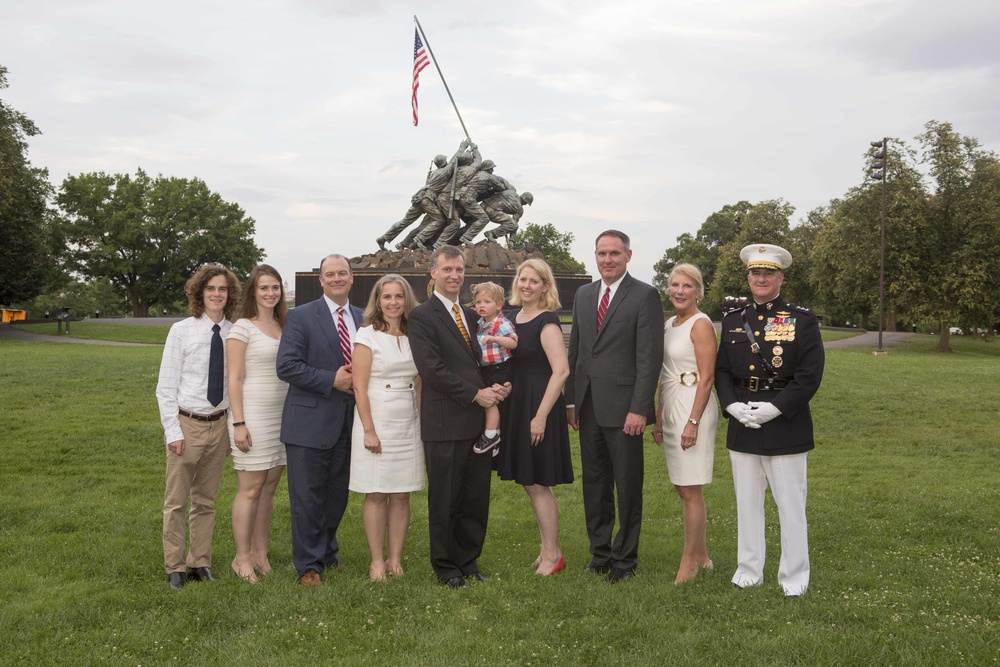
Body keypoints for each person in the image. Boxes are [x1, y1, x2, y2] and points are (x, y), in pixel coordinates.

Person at [715, 243, 824, 597]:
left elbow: (809, 375)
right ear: (748, 278)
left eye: (768, 273)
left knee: (790, 506)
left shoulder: (801, 319)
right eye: (755, 273)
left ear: (780, 278)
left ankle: (794, 578)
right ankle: (748, 571)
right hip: (742, 419)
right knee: (746, 504)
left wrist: (775, 408)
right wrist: (731, 406)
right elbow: (721, 371)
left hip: (784, 422)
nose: (761, 279)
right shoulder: (733, 320)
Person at [407, 245, 510, 588]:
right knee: (446, 499)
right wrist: (475, 395)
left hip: (477, 424)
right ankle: (446, 566)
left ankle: (469, 560)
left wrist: (497, 388)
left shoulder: (470, 316)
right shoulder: (422, 316)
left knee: (474, 497)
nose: (454, 275)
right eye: (447, 269)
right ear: (433, 273)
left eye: (459, 270)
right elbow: (432, 369)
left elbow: (482, 363)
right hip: (444, 423)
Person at [566, 230, 664, 584]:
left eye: (614, 254)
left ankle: (625, 557)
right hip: (589, 406)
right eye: (602, 253)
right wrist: (571, 400)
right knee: (594, 483)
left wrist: (640, 408)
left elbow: (648, 358)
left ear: (628, 255)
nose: (608, 259)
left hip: (625, 410)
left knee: (626, 484)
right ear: (595, 256)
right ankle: (600, 552)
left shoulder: (644, 296)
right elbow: (575, 351)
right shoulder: (583, 294)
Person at [276, 254, 362, 586]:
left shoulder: (362, 318)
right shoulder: (300, 317)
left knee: (337, 494)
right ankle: (308, 564)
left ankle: (328, 551)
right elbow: (287, 366)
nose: (337, 278)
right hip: (308, 423)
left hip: (349, 423)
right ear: (321, 280)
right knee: (307, 497)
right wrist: (331, 380)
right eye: (331, 274)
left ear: (351, 278)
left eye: (343, 273)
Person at [155, 263, 241, 590]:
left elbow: (235, 385)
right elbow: (165, 387)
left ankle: (199, 562)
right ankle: (175, 566)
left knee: (206, 501)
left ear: (229, 294)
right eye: (210, 289)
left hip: (219, 426)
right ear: (199, 293)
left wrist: (232, 430)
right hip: (187, 424)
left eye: (222, 289)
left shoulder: (235, 332)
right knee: (176, 501)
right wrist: (173, 431)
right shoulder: (182, 330)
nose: (217, 294)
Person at [496, 259, 573, 576]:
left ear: (545, 286)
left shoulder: (547, 322)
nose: (526, 285)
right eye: (522, 279)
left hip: (539, 406)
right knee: (529, 481)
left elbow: (562, 371)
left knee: (537, 480)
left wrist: (540, 416)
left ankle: (553, 555)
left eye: (533, 281)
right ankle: (546, 550)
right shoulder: (513, 317)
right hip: (518, 404)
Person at [348, 274, 425, 581]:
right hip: (377, 416)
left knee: (402, 493)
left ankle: (395, 559)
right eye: (387, 297)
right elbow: (358, 386)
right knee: (378, 492)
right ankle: (377, 561)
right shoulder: (367, 335)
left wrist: (422, 420)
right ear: (377, 302)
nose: (393, 302)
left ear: (407, 299)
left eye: (399, 296)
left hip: (408, 418)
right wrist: (369, 429)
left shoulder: (415, 333)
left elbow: (419, 381)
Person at [651, 263, 719, 584]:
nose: (679, 291)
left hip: (695, 406)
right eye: (675, 285)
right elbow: (664, 372)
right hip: (672, 404)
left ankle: (689, 561)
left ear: (698, 291)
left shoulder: (700, 324)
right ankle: (702, 555)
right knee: (682, 486)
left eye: (687, 286)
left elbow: (707, 379)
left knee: (691, 488)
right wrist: (659, 414)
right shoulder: (669, 324)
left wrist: (692, 421)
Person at [226, 264, 289, 583]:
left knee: (269, 488)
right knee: (250, 489)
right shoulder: (242, 328)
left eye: (275, 287)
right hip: (251, 415)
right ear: (253, 291)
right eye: (264, 287)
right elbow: (234, 378)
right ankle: (241, 558)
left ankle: (259, 552)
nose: (270, 293)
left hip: (281, 417)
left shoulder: (283, 324)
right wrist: (239, 423)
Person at [470, 281, 518, 455]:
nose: (481, 306)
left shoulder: (502, 324)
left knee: (490, 401)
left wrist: (495, 339)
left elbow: (513, 343)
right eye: (478, 302)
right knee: (490, 400)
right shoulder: (480, 324)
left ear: (498, 305)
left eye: (487, 302)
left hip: (499, 368)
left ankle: (490, 435)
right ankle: (496, 436)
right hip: (487, 369)